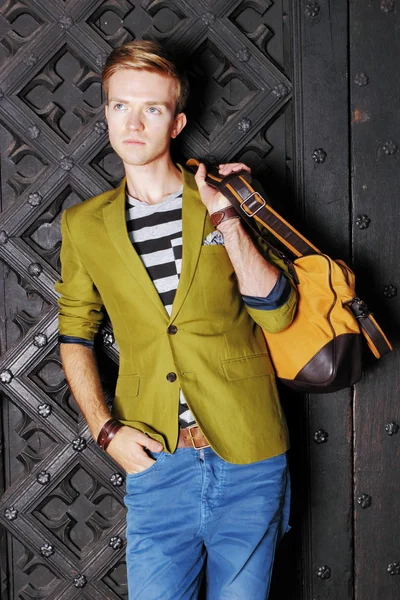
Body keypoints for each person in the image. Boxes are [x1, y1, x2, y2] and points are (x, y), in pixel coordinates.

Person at [55, 39, 298, 600]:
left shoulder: (226, 195)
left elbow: (278, 311)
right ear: (106, 112)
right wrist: (104, 429)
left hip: (248, 454)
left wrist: (230, 221)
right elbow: (74, 335)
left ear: (177, 121)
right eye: (121, 106)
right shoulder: (84, 226)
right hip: (156, 462)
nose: (133, 123)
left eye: (152, 109)